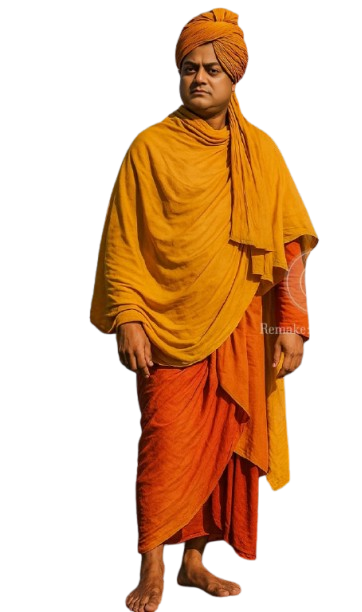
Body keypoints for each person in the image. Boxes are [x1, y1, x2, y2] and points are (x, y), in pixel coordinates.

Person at [89, 8, 319, 612]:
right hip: (165, 324)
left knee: (224, 443)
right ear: (178, 73)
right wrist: (128, 315)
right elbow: (121, 241)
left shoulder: (260, 151)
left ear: (234, 78)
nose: (199, 78)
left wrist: (290, 325)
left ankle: (193, 563)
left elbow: (290, 250)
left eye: (213, 69)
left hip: (240, 321)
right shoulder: (148, 148)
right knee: (165, 440)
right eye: (189, 68)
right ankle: (151, 565)